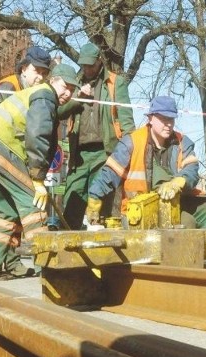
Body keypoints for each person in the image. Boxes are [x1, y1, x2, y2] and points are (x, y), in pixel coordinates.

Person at [0, 63, 80, 281]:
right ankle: (49, 269)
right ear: (53, 80)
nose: (68, 93)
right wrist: (37, 179)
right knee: (34, 205)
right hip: (1, 147)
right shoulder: (45, 96)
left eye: (72, 90)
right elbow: (38, 135)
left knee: (8, 213)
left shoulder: (37, 94)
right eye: (65, 86)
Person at [86, 95, 206, 229]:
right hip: (142, 208)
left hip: (176, 202)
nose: (168, 124)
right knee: (186, 222)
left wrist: (178, 181)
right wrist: (94, 197)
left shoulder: (182, 142)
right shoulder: (132, 142)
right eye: (163, 119)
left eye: (171, 119)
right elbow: (109, 173)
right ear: (151, 119)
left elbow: (192, 168)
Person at [59, 42, 135, 229]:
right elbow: (59, 111)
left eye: (90, 65)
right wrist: (78, 96)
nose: (87, 69)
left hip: (105, 152)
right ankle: (70, 247)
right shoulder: (74, 84)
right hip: (80, 155)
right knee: (72, 198)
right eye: (83, 65)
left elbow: (126, 120)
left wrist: (129, 147)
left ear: (99, 61)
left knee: (100, 203)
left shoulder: (116, 83)